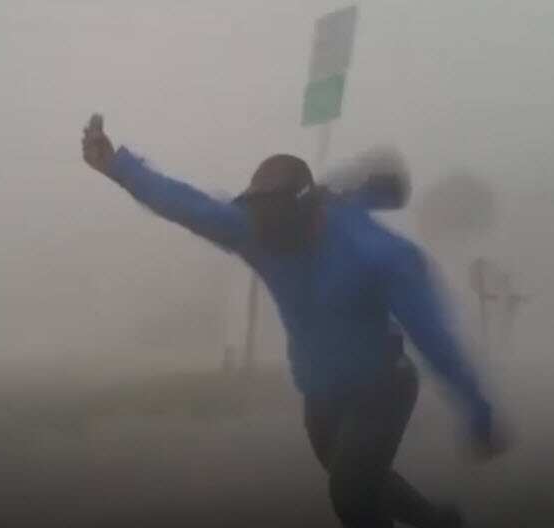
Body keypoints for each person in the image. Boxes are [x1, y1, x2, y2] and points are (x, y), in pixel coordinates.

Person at [80, 114, 507, 528]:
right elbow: (186, 205)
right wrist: (117, 166)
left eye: (283, 232)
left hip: (382, 388)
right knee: (358, 479)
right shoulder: (255, 230)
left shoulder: (377, 253)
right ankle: (436, 521)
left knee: (351, 494)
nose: (275, 245)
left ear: (310, 214)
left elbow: (434, 337)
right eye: (264, 230)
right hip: (320, 393)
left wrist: (477, 411)